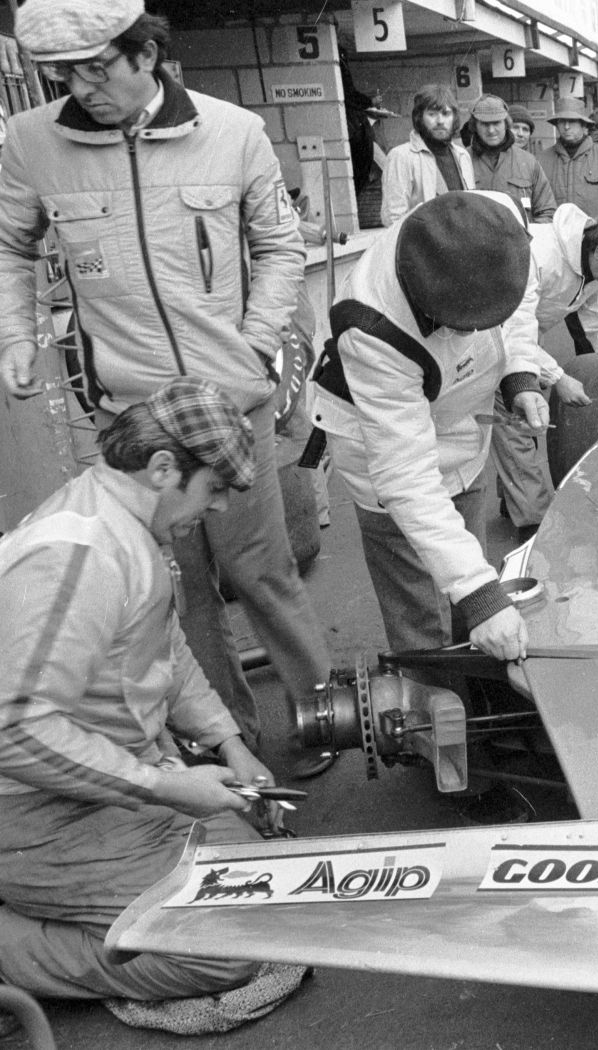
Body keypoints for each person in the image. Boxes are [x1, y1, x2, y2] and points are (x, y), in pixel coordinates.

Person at [0, 0, 327, 756]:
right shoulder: (29, 143)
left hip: (229, 403)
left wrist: (255, 342)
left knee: (262, 573)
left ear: (145, 54)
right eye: (63, 75)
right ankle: (228, 741)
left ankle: (324, 717)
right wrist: (17, 336)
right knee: (172, 597)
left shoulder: (234, 132)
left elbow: (279, 246)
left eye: (97, 68)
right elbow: (10, 249)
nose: (80, 88)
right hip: (132, 414)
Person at [0, 377, 297, 1009]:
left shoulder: (127, 527)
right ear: (163, 467)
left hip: (101, 783)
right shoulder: (75, 557)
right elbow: (15, 731)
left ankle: (97, 914)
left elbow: (163, 652)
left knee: (262, 877)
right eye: (213, 489)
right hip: (31, 812)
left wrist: (228, 742)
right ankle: (12, 947)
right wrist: (165, 785)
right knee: (231, 947)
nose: (218, 508)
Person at [307, 191, 542, 659]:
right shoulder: (371, 327)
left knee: (470, 579)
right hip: (380, 444)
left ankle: (479, 685)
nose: (475, 331)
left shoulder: (494, 223)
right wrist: (479, 594)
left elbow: (519, 305)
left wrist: (520, 374)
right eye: (464, 323)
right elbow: (406, 478)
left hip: (462, 428)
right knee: (422, 616)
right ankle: (431, 713)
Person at [491, 204, 598, 532]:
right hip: (489, 329)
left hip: (523, 331)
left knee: (519, 421)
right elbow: (511, 330)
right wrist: (558, 377)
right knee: (517, 419)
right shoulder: (538, 255)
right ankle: (534, 525)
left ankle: (513, 500)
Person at [540, 96, 598, 357]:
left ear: (586, 126)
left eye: (573, 122)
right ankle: (587, 374)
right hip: (562, 261)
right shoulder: (541, 161)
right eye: (562, 122)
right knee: (577, 329)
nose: (566, 127)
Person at [380, 82, 472, 227]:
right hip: (421, 246)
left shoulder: (462, 156)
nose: (440, 121)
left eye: (446, 113)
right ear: (419, 117)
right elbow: (393, 218)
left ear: (454, 117)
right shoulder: (401, 156)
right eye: (432, 114)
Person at [465, 93, 555, 222]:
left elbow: (547, 211)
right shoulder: (462, 160)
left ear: (506, 124)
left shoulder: (528, 162)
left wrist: (527, 235)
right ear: (475, 126)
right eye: (484, 124)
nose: (491, 130)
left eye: (496, 123)